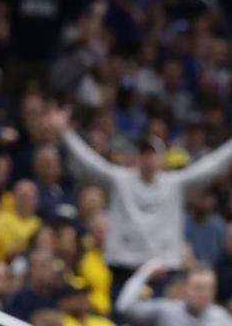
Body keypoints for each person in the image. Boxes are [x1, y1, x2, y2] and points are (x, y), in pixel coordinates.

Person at [49, 105, 232, 285]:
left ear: (161, 159)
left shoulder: (175, 183)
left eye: (153, 155)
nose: (148, 159)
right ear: (138, 158)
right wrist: (65, 133)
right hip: (124, 268)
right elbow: (89, 163)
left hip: (163, 270)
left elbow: (211, 167)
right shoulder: (119, 180)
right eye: (144, 154)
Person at [115, 258, 232, 326]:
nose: (205, 294)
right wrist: (144, 272)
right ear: (185, 288)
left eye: (210, 288)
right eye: (199, 288)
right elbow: (124, 307)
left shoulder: (221, 318)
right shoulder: (166, 310)